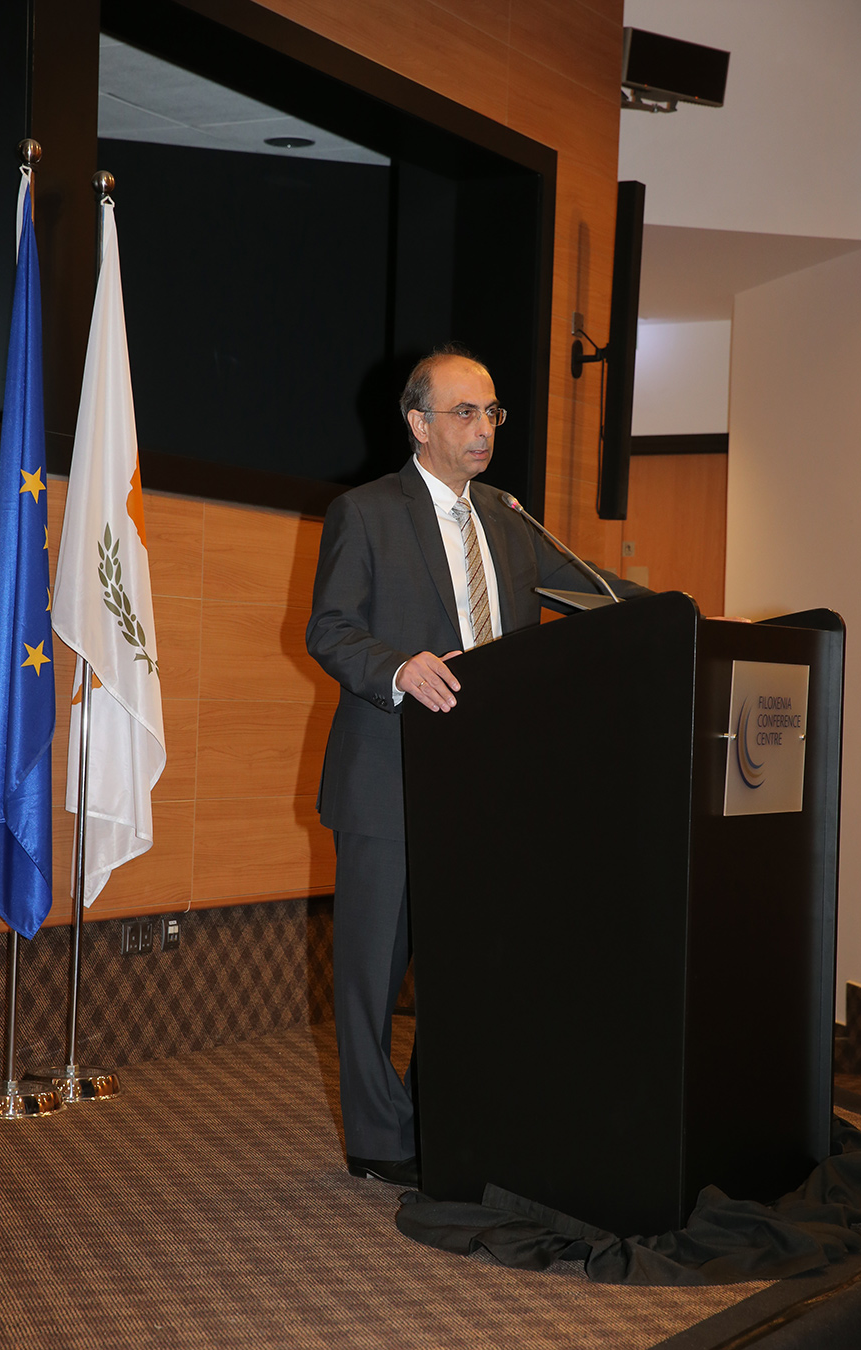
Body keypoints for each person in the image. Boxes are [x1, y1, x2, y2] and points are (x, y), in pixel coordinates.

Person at [306, 345, 648, 1187]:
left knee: (469, 966)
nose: (484, 427)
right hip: (388, 775)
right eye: (464, 412)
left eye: (491, 411)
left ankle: (446, 1117)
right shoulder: (366, 512)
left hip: (489, 779)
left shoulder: (508, 516)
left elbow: (594, 590)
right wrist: (399, 667)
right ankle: (379, 1139)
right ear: (418, 424)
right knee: (373, 972)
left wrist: (683, 613)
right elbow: (330, 629)